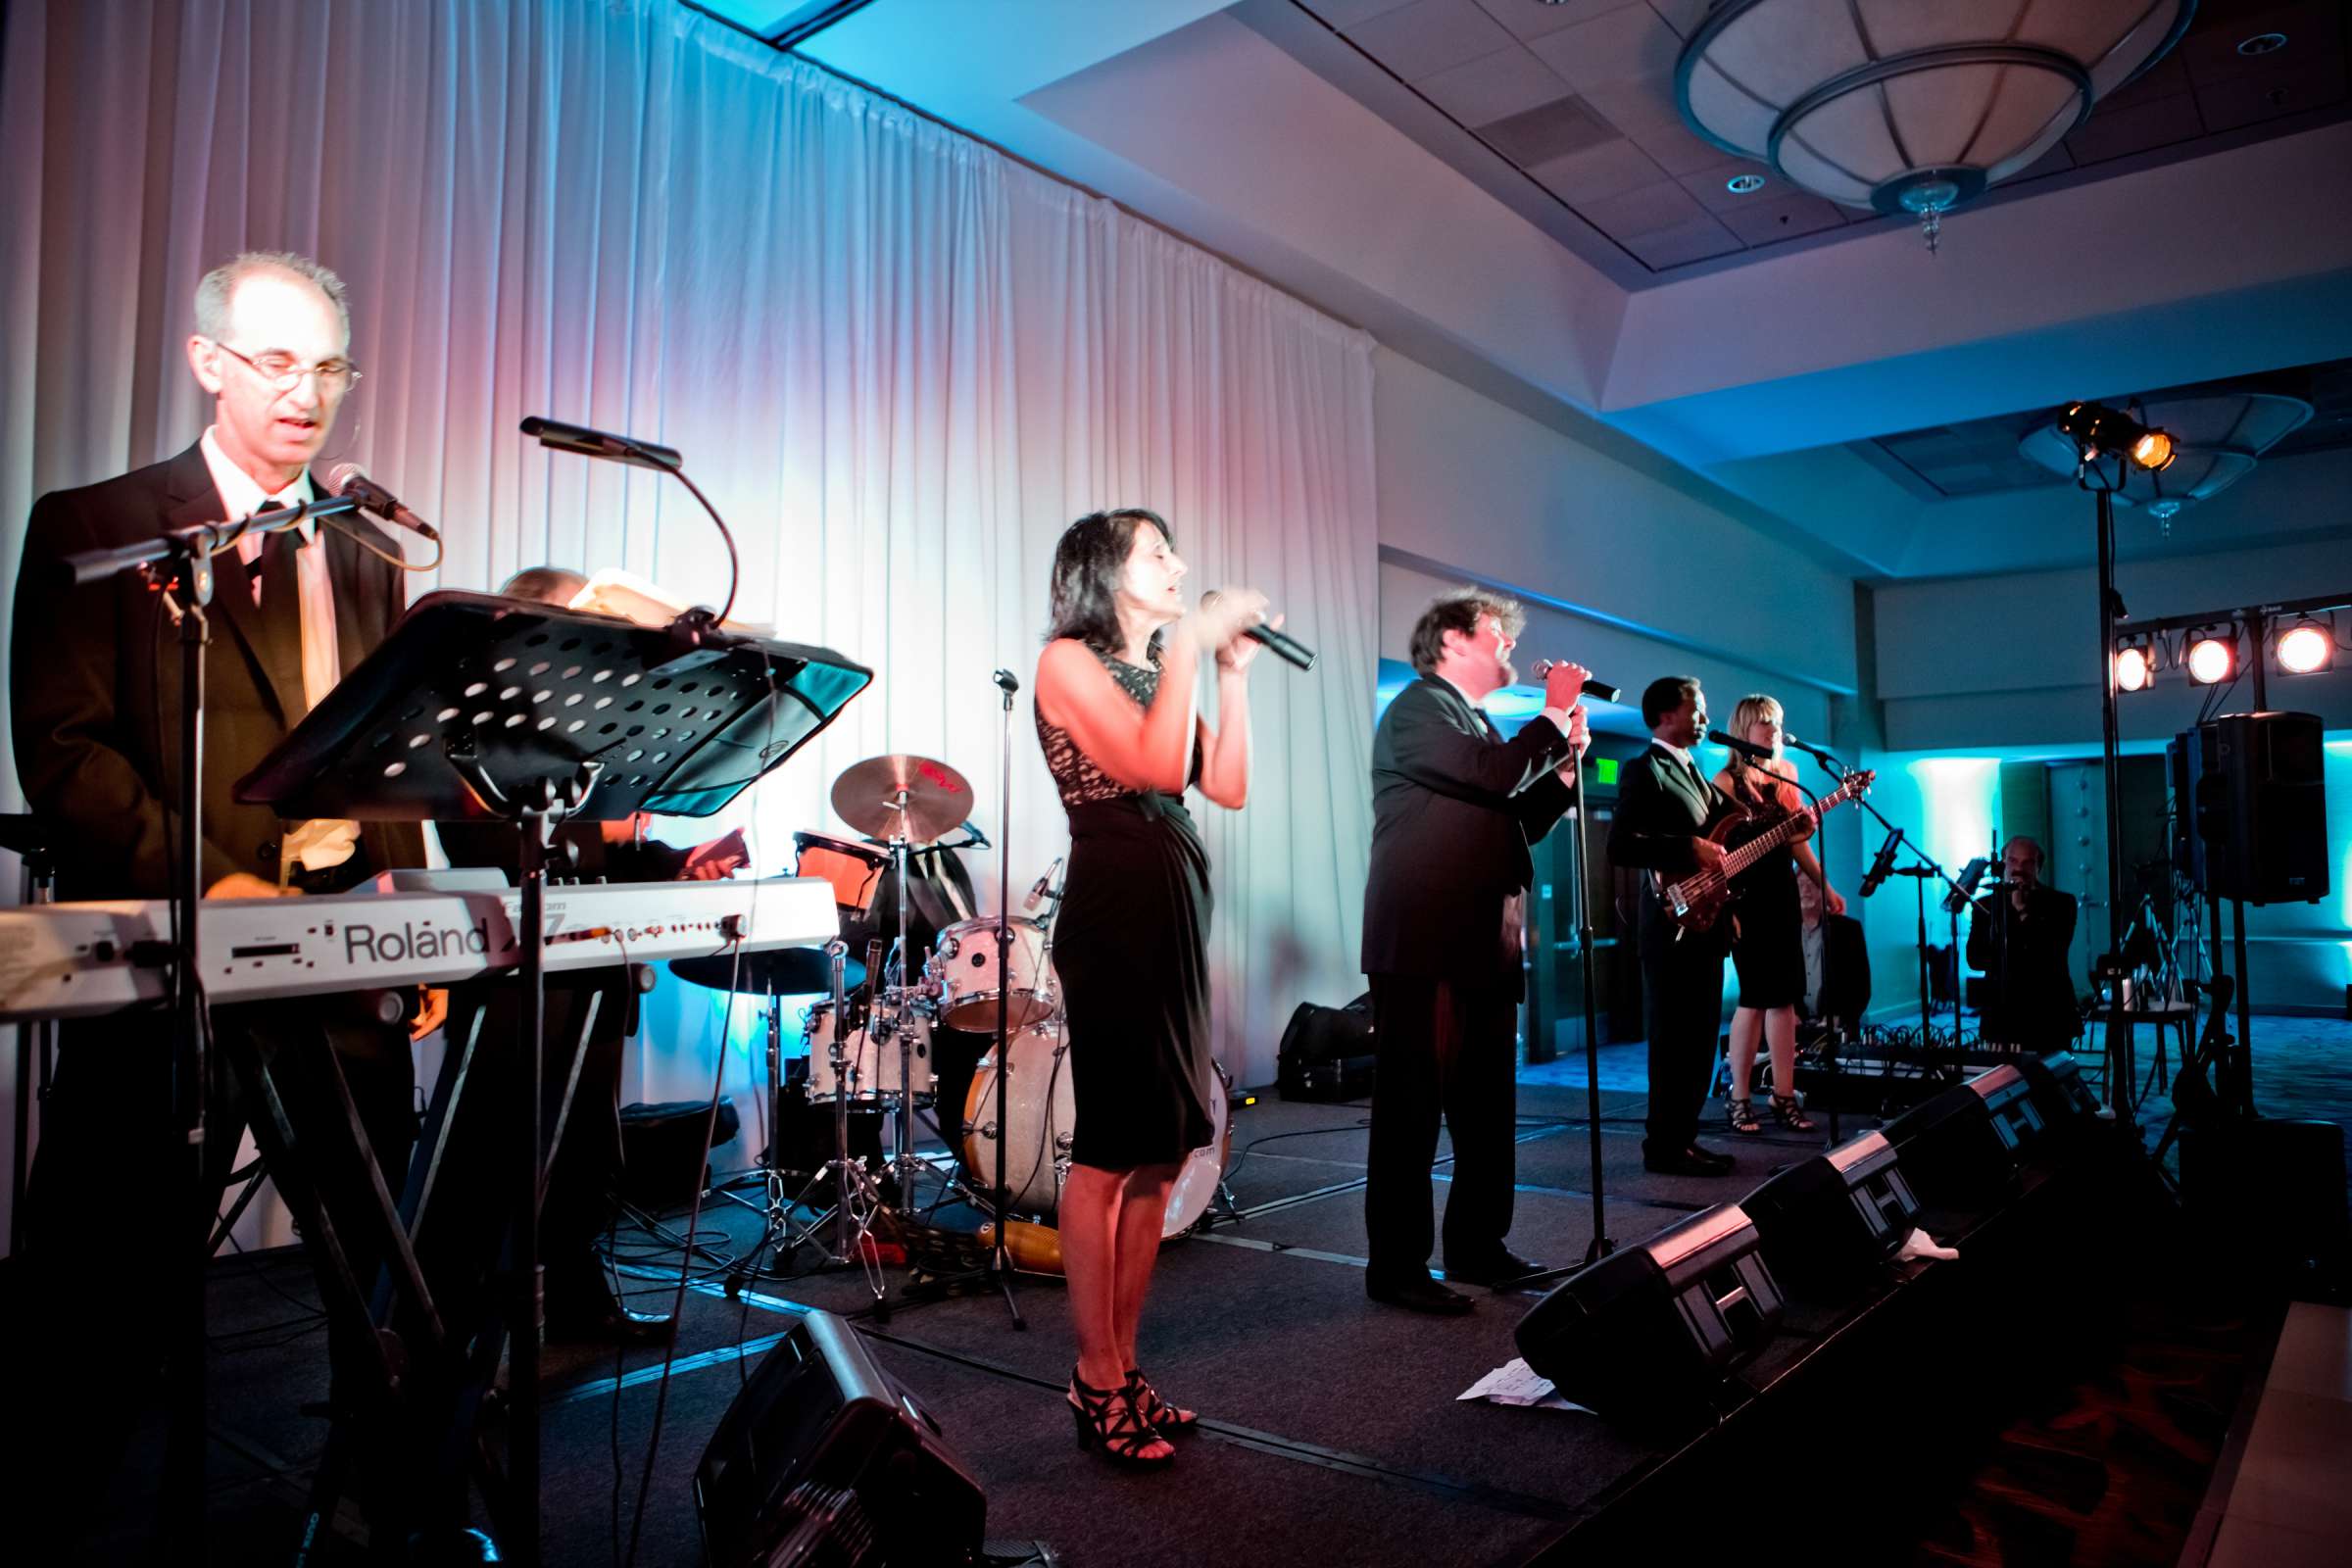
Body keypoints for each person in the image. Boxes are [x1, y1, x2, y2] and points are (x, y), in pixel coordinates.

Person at [7, 251, 429, 1540]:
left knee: (381, 1278)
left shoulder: (365, 550)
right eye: (277, 362)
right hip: (169, 971)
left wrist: (407, 908)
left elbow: (388, 752)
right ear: (207, 362)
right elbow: (68, 752)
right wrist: (224, 887)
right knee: (99, 1300)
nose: (308, 394)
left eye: (330, 368)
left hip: (341, 962)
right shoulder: (100, 528)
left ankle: (381, 1509)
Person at [426, 564, 750, 1344]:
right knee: (491, 1160)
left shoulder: (595, 731)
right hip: (510, 976)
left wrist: (680, 859)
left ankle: (577, 1298)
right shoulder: (473, 722)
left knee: (581, 1157)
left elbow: (618, 858)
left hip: (596, 971)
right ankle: (463, 1338)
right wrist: (591, 828)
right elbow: (477, 842)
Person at [1032, 508, 1265, 1468]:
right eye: (1155, 551)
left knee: (1163, 1156)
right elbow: (1154, 766)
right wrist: (1186, 651)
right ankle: (1095, 1372)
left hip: (1172, 906)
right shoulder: (1067, 662)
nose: (1177, 562)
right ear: (1102, 572)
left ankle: (1123, 1367)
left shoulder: (1151, 670)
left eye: (1175, 548)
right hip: (1116, 906)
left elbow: (1229, 783)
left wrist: (1229, 673)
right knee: (1111, 1152)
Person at [1360, 589, 1591, 1314]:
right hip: (1427, 944)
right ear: (1455, 641)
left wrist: (1561, 769)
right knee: (1412, 1110)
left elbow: (1511, 816)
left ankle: (1478, 1248)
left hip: (1485, 943)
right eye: (1500, 637)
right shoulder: (1419, 708)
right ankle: (1396, 1268)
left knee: (1487, 1111)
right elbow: (1492, 778)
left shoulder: (1478, 722)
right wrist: (1552, 715)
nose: (1511, 652)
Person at [1607, 676, 1740, 1177]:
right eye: (1698, 709)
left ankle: (1684, 1136)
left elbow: (1731, 839)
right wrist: (1686, 847)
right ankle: (1663, 1145)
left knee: (1702, 1035)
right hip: (1669, 922)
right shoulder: (1645, 770)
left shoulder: (1697, 773)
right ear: (1666, 715)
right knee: (1673, 1038)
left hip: (1706, 922)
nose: (1706, 718)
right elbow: (1620, 845)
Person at [1711, 695, 1829, 1138]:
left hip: (1782, 893)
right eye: (1764, 722)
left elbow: (1795, 841)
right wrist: (1725, 907)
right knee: (1755, 997)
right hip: (1745, 898)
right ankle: (1739, 1097)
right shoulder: (1725, 781)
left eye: (1777, 722)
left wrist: (1824, 885)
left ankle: (1784, 1095)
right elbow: (1717, 850)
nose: (1773, 730)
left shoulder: (1787, 775)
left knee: (1786, 999)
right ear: (1744, 728)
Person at [1967, 835, 2083, 1052]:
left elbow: (2050, 955)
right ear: (2003, 863)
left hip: (2049, 1012)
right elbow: (1975, 959)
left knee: (2051, 1079)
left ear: (2038, 867)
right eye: (2012, 861)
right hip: (2001, 1014)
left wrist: (2021, 909)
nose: (2018, 868)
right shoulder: (1985, 906)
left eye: (2027, 862)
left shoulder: (2061, 903)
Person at [1797, 864, 1872, 1039]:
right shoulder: (1784, 933)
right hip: (1794, 1028)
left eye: (1812, 884)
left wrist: (1840, 1016)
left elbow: (1862, 986)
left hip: (1838, 1028)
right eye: (1800, 885)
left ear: (1825, 890)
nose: (1805, 890)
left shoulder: (1848, 929)